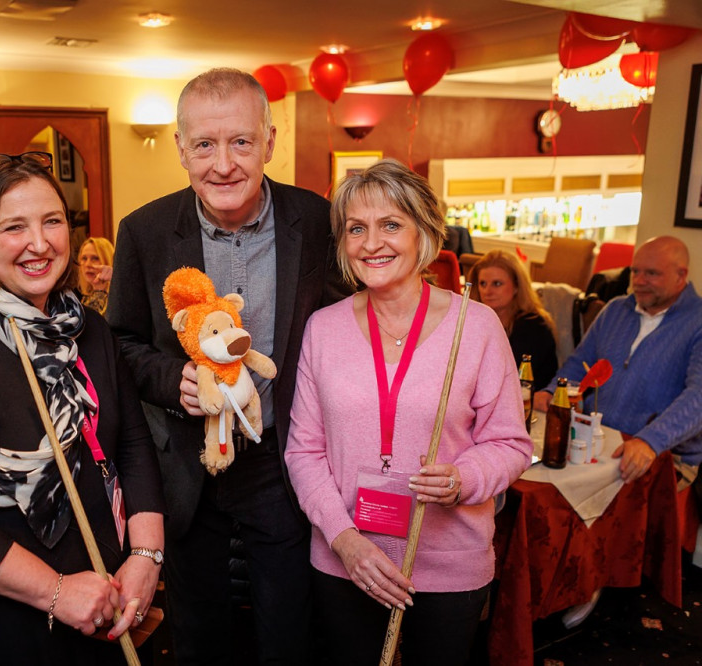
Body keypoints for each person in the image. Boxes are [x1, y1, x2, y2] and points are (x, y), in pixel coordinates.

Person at [107, 67, 348, 664]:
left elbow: (348, 327)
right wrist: (174, 381)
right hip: (189, 465)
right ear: (181, 149)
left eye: (241, 142)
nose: (224, 164)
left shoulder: (317, 222)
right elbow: (121, 343)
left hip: (282, 459)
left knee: (288, 628)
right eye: (205, 145)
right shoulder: (145, 231)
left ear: (269, 142)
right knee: (199, 633)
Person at [0, 151, 165, 664]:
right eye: (14, 227)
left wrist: (146, 557)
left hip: (104, 602)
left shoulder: (90, 328)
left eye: (53, 222)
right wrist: (57, 592)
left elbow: (130, 442)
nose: (40, 244)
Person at [284, 159, 532, 665]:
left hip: (449, 561)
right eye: (357, 228)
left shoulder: (477, 326)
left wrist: (464, 478)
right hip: (346, 559)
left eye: (391, 225)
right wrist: (344, 540)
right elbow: (304, 451)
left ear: (426, 233)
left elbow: (511, 443)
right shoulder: (323, 329)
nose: (371, 243)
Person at [534, 236, 702, 484]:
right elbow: (579, 362)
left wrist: (651, 440)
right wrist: (552, 391)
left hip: (662, 454)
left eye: (652, 274)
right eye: (635, 271)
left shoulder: (697, 322)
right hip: (594, 438)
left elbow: (698, 396)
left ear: (681, 275)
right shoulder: (615, 309)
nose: (639, 281)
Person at [468, 249, 558, 389]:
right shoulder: (474, 321)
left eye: (497, 284)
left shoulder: (534, 326)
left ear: (517, 286)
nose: (487, 291)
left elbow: (507, 380)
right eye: (483, 284)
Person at [76, 237, 114, 315]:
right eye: (84, 258)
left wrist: (100, 291)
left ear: (106, 260)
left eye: (95, 258)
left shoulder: (116, 298)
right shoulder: (85, 298)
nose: (87, 264)